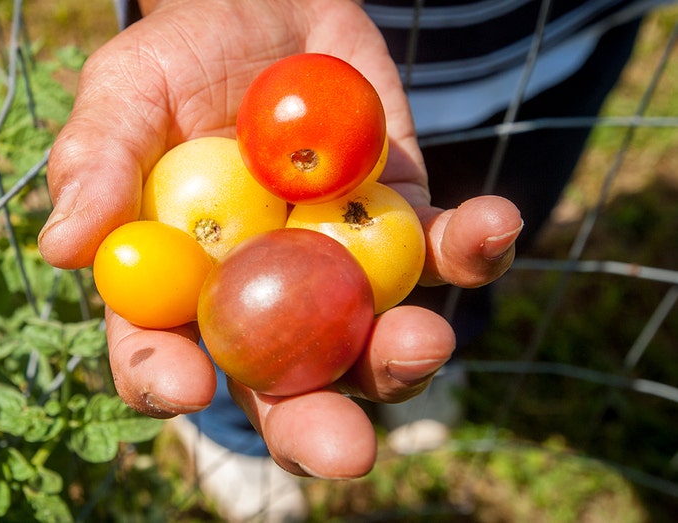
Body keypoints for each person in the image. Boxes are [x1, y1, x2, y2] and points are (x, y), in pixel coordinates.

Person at [37, 0, 644, 520]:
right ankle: (229, 434)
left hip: (550, 45)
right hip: (314, 35)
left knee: (482, 233)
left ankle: (450, 349)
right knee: (228, 333)